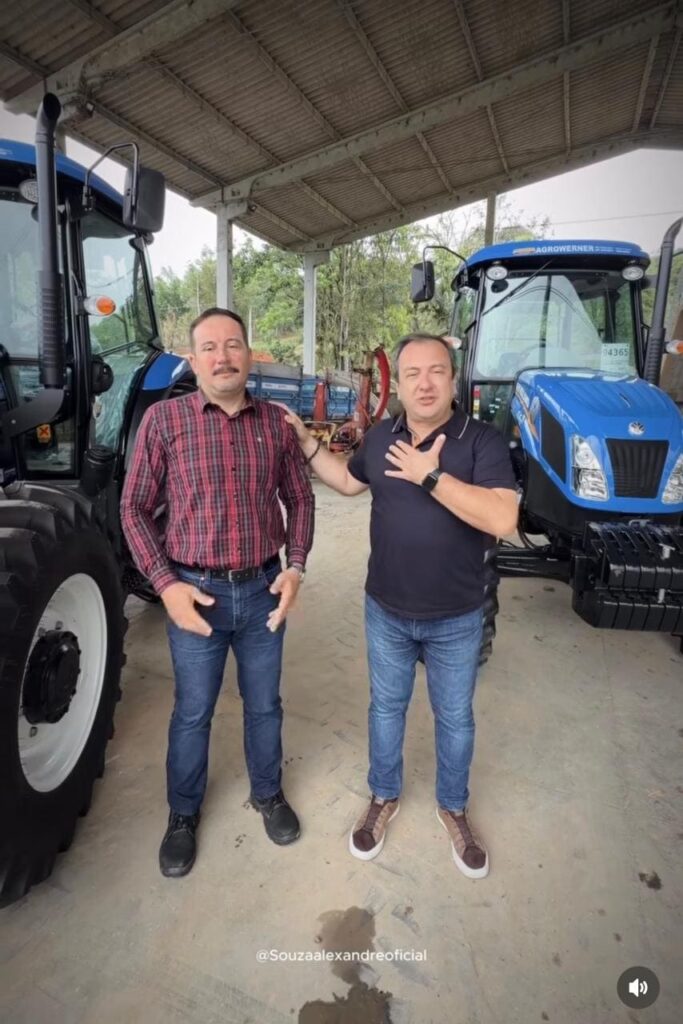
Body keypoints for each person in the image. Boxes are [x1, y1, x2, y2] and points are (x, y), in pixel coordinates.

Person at [285, 333, 517, 879]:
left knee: (454, 718)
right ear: (401, 385)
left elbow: (503, 519)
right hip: (386, 610)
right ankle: (383, 795)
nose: (424, 384)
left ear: (453, 380)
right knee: (386, 709)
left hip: (457, 614)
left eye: (436, 372)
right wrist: (306, 441)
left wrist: (429, 475)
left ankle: (453, 807)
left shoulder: (480, 441)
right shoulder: (382, 436)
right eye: (412, 374)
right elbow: (347, 482)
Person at [121, 307, 314, 878]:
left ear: (249, 355)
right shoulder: (164, 421)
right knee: (192, 711)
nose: (222, 357)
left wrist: (296, 567)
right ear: (193, 359)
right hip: (195, 595)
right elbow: (132, 508)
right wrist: (165, 586)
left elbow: (300, 499)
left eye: (233, 345)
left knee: (265, 704)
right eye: (209, 347)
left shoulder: (275, 425)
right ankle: (182, 814)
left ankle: (268, 793)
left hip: (262, 591)